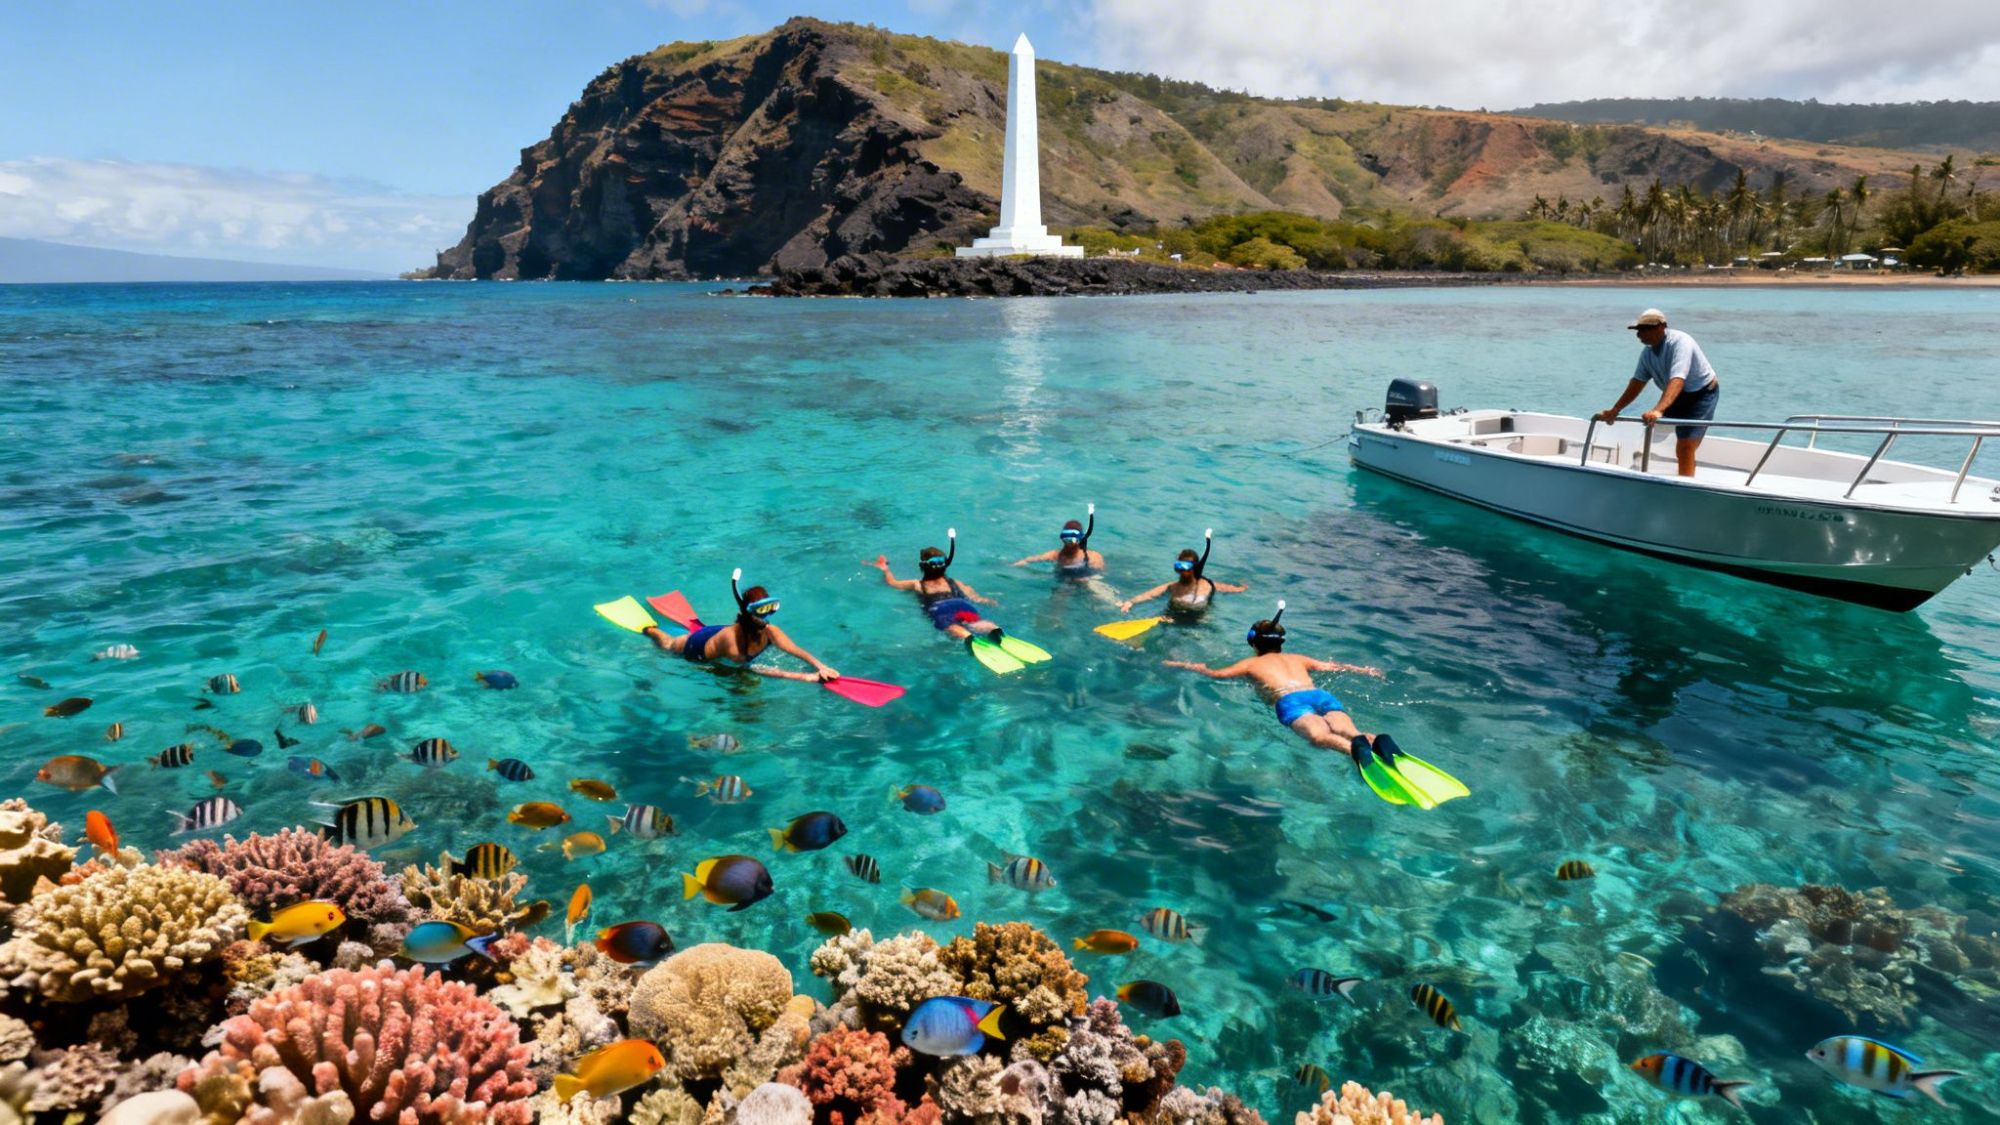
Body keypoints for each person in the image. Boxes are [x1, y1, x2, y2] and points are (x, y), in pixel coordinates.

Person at [1162, 602, 1466, 808]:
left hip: (1289, 701)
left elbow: (1214, 673)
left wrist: (1185, 664)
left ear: (1253, 642)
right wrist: (1363, 670)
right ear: (1281, 642)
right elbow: (1332, 667)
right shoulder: (1298, 658)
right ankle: (1377, 743)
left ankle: (1356, 754)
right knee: (1350, 730)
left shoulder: (1249, 664)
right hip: (1319, 695)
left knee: (1320, 737)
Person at [870, 530, 1050, 672]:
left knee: (952, 627)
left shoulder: (917, 584)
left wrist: (885, 569)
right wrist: (989, 601)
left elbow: (893, 584)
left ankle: (968, 638)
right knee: (980, 623)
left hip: (939, 610)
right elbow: (974, 597)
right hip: (963, 607)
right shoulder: (954, 582)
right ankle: (995, 631)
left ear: (923, 566)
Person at [1594, 308, 1721, 478]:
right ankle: (1648, 470)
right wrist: (1615, 410)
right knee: (1650, 426)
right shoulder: (1647, 354)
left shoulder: (1681, 342)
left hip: (1701, 394)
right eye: (1638, 330)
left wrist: (1659, 410)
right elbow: (1637, 383)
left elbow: (1678, 379)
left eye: (1645, 329)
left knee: (1685, 446)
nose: (1639, 334)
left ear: (1662, 326)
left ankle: (1684, 486)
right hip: (1675, 394)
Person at [642, 575, 839, 683]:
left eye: (770, 609)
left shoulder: (771, 630)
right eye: (761, 610)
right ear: (749, 612)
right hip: (697, 647)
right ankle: (649, 629)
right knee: (669, 645)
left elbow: (795, 650)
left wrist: (820, 666)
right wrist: (806, 677)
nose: (766, 616)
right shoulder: (734, 646)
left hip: (718, 633)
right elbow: (757, 670)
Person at [1117, 531, 1246, 616]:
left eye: (1185, 567)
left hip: (1200, 624)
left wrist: (1242, 588)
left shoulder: (1210, 586)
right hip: (1173, 619)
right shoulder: (1172, 587)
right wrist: (1130, 602)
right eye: (1178, 566)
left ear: (1194, 568)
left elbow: (1232, 589)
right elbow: (1150, 594)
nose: (1181, 571)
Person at [1011, 504, 1106, 578]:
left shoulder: (1092, 556)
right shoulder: (1055, 555)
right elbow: (1032, 559)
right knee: (1057, 599)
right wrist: (1020, 562)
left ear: (1080, 539)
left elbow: (1100, 573)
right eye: (1066, 539)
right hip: (1064, 580)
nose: (1068, 543)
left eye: (1071, 540)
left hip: (1086, 580)